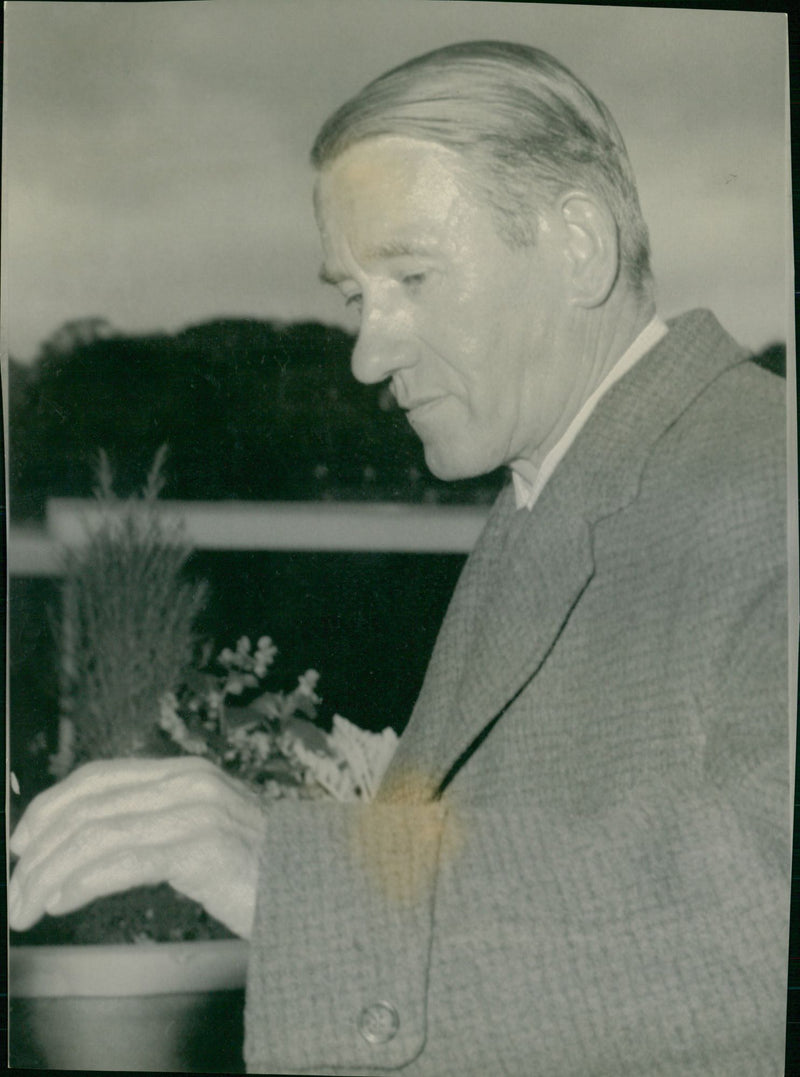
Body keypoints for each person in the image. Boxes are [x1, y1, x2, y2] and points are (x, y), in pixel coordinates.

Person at [9, 41, 790, 1076]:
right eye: (353, 296)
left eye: (412, 276)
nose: (368, 354)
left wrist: (285, 872)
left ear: (576, 244)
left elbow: (765, 921)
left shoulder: (764, 482)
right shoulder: (551, 486)